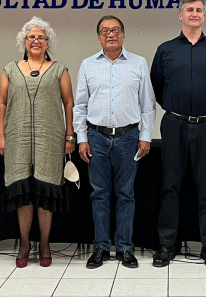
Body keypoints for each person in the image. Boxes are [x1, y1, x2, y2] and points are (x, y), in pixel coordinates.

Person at [150, 0, 206, 268]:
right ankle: (166, 245)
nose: (194, 13)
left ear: (204, 16)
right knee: (169, 186)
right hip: (174, 123)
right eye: (189, 9)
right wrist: (176, 107)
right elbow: (157, 85)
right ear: (180, 15)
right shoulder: (165, 49)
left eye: (199, 10)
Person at [73, 15, 156, 269]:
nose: (111, 34)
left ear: (123, 35)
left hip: (128, 138)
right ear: (99, 37)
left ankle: (125, 249)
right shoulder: (88, 65)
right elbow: (80, 106)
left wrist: (145, 136)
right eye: (105, 31)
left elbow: (148, 105)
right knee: (99, 195)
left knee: (126, 195)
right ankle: (100, 248)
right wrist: (82, 138)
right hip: (96, 137)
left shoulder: (138, 63)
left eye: (116, 30)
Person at [0, 16, 75, 268]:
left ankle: (44, 242)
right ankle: (24, 242)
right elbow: (2, 103)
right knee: (24, 194)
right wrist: (0, 135)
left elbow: (69, 103)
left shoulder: (59, 69)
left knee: (45, 192)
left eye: (41, 37)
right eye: (31, 37)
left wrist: (69, 135)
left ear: (48, 41)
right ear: (24, 41)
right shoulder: (10, 69)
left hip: (50, 138)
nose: (36, 41)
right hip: (17, 138)